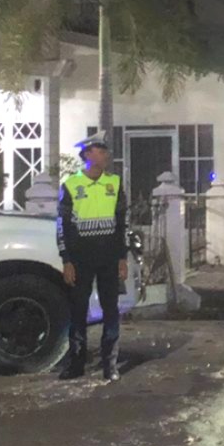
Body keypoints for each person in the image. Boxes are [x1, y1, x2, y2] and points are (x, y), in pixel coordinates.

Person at [57, 135, 128, 381]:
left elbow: (121, 223)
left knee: (111, 311)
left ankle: (110, 364)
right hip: (80, 259)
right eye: (100, 150)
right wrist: (66, 260)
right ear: (87, 154)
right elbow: (62, 225)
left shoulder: (114, 183)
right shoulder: (70, 185)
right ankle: (76, 364)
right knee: (78, 310)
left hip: (108, 258)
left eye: (105, 151)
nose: (106, 155)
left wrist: (122, 257)